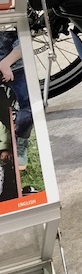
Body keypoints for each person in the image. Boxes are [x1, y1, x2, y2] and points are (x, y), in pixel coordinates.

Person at [0, 29, 31, 170]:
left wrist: (5, 63)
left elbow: (23, 42)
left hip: (15, 67)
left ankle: (21, 141)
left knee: (30, 106)